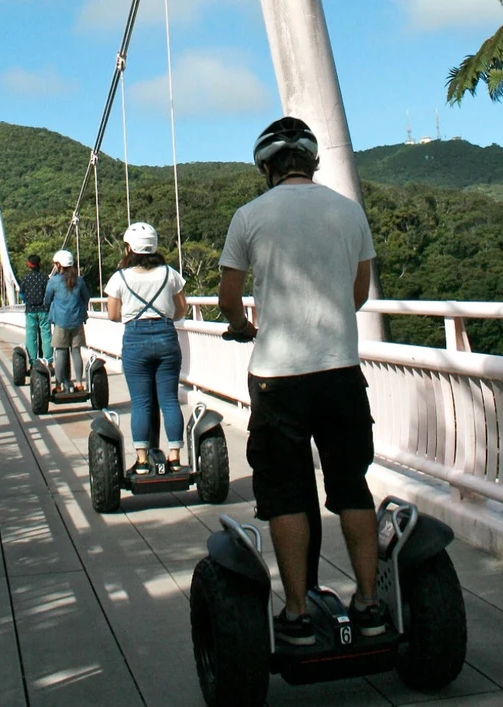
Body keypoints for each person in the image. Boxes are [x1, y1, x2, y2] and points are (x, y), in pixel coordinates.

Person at [217, 116, 387, 646]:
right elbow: (358, 292)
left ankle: (295, 617)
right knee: (351, 485)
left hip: (277, 379)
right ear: (313, 161)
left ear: (266, 166)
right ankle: (370, 604)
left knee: (287, 494)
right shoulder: (349, 211)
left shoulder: (249, 216)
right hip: (340, 372)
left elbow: (228, 298)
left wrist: (244, 326)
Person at [104, 222, 187, 473]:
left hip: (135, 339)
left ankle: (141, 462)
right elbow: (181, 309)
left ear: (129, 248)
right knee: (170, 400)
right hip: (166, 338)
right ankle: (174, 458)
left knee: (140, 403)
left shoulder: (120, 278)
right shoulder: (169, 274)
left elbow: (113, 314)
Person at [44, 249, 90, 393]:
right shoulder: (80, 280)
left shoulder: (54, 281)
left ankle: (58, 385)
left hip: (61, 322)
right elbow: (86, 298)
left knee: (61, 353)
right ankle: (79, 384)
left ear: (58, 265)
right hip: (77, 321)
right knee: (76, 352)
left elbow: (47, 300)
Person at [19, 254, 52, 364]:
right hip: (43, 310)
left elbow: (22, 294)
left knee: (31, 335)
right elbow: (48, 294)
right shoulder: (45, 278)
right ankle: (48, 361)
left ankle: (33, 361)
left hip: (30, 311)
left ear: (29, 264)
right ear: (40, 264)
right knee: (46, 335)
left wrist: (27, 300)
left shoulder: (25, 278)